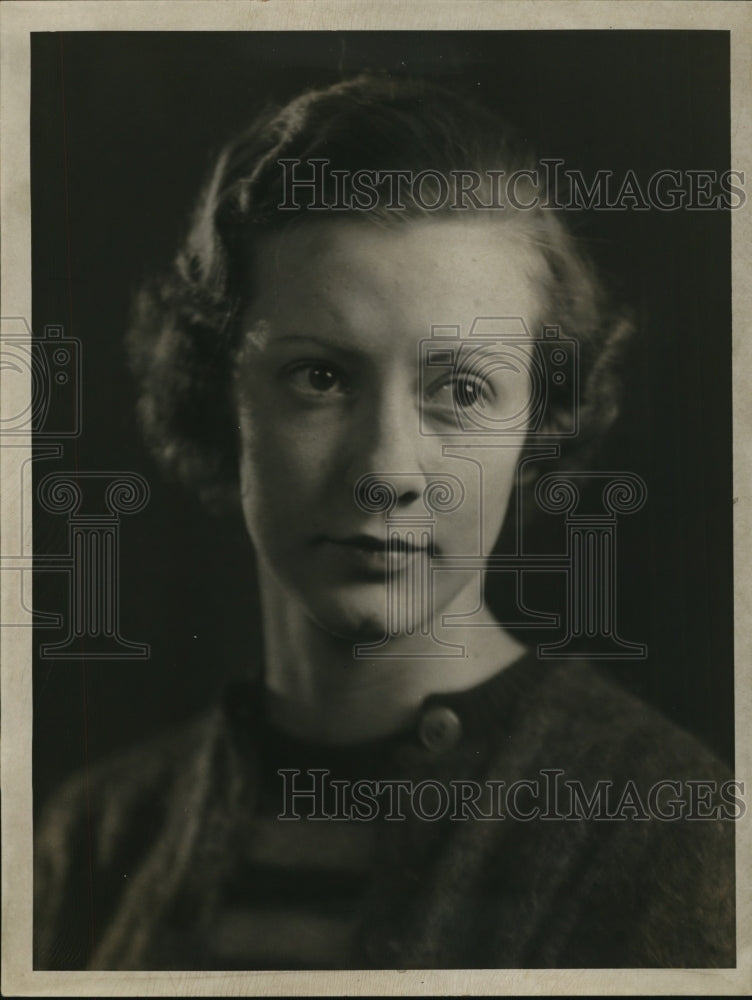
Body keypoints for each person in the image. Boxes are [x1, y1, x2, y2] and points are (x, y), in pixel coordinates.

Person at [34, 73, 735, 971]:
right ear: (219, 393)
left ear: (538, 424)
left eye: (462, 390)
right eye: (321, 377)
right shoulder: (93, 838)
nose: (386, 474)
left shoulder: (671, 840)